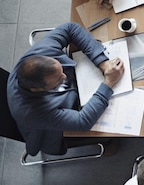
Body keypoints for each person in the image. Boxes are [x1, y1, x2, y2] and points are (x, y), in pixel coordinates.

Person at [6, 23, 125, 156]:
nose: (64, 76)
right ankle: (106, 143)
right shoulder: (31, 112)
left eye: (61, 71)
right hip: (55, 129)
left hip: (78, 88)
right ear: (37, 89)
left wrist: (103, 63)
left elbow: (70, 28)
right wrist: (109, 83)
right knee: (114, 126)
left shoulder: (41, 52)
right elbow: (83, 122)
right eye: (58, 80)